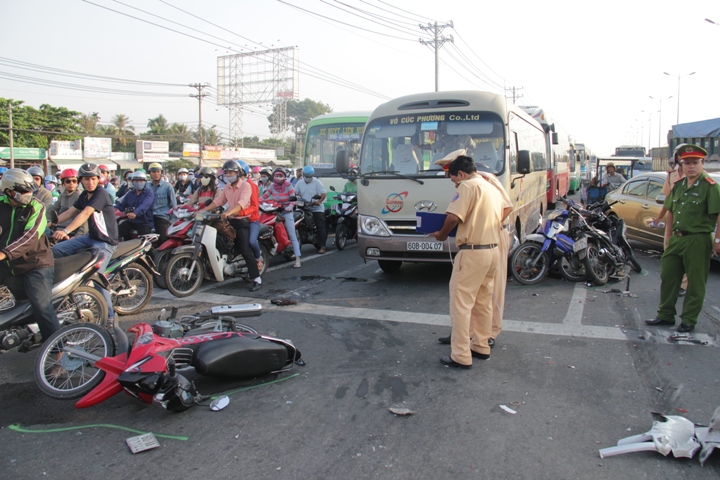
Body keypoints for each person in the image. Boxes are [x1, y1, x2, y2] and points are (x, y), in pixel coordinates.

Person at [429, 155, 505, 369]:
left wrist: (441, 234)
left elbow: (453, 217)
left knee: (461, 305)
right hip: (492, 250)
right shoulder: (491, 187)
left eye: (454, 179)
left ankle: (461, 355)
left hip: (472, 252)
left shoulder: (467, 186)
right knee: (483, 302)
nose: (454, 184)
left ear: (461, 174)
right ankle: (481, 345)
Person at [646, 144, 720, 333]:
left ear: (703, 163)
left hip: (698, 239)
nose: (691, 167)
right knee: (669, 277)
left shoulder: (710, 187)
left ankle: (689, 319)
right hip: (677, 239)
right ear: (682, 165)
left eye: (695, 163)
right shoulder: (678, 185)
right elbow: (670, 211)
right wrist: (669, 237)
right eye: (687, 163)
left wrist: (718, 241)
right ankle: (665, 315)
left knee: (695, 282)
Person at [51, 163, 119, 327]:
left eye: (93, 179)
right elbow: (70, 212)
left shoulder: (100, 194)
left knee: (96, 277)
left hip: (105, 243)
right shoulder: (84, 195)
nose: (90, 182)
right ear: (81, 180)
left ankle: (110, 316)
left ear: (98, 179)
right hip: (90, 238)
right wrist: (51, 223)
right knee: (55, 251)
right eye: (87, 179)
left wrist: (66, 231)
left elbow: (86, 213)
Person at [0, 168, 60, 342]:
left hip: (35, 263)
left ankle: (58, 351)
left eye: (29, 191)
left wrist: (4, 254)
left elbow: (30, 237)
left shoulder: (36, 207)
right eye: (23, 191)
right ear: (9, 191)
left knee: (42, 307)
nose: (28, 195)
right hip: (9, 264)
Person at [201, 160, 262, 291]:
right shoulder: (227, 187)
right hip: (230, 220)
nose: (229, 175)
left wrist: (229, 212)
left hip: (241, 221)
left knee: (245, 249)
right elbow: (219, 200)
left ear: (238, 173)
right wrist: (203, 210)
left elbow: (242, 202)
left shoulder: (246, 186)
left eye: (231, 173)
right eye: (227, 173)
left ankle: (256, 278)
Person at [653, 144, 688, 295]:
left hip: (688, 219)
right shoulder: (671, 175)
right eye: (681, 155)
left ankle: (683, 285)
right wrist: (659, 217)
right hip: (672, 217)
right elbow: (668, 199)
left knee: (686, 253)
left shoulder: (697, 176)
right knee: (669, 249)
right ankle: (672, 281)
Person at [261, 167, 302, 267]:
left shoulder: (288, 186)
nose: (278, 178)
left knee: (292, 235)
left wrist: (289, 207)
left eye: (280, 176)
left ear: (284, 176)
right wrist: (256, 201)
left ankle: (297, 259)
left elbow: (293, 199)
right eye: (276, 176)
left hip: (286, 212)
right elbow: (264, 197)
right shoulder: (272, 186)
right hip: (275, 211)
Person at [235, 161, 263, 272]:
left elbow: (254, 207)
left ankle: (258, 258)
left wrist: (240, 213)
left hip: (252, 220)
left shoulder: (251, 186)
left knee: (251, 241)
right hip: (237, 219)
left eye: (233, 172)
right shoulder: (233, 186)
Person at [294, 165, 328, 253]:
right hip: (304, 207)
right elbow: (295, 192)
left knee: (320, 226)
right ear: (303, 175)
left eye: (310, 176)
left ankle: (323, 246)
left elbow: (323, 194)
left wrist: (319, 201)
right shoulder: (300, 183)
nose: (308, 178)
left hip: (316, 208)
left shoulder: (317, 182)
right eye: (306, 176)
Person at [115, 171, 155, 240]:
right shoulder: (130, 194)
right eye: (136, 181)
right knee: (117, 232)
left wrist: (135, 213)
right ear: (133, 182)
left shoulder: (149, 193)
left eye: (141, 181)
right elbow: (121, 206)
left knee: (144, 242)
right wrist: (110, 209)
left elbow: (144, 206)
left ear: (145, 182)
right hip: (131, 222)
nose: (139, 182)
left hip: (144, 223)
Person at [47, 168, 87, 237]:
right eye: (68, 181)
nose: (71, 183)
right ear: (63, 183)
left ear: (77, 183)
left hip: (72, 232)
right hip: (58, 229)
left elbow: (84, 221)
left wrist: (76, 237)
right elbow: (52, 209)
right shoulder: (62, 196)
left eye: (74, 181)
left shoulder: (80, 197)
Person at [147, 162, 177, 245]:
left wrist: (172, 220)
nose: (156, 174)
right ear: (150, 173)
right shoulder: (146, 186)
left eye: (158, 172)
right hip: (148, 216)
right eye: (153, 172)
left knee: (163, 238)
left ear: (161, 173)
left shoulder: (168, 186)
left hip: (162, 216)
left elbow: (174, 205)